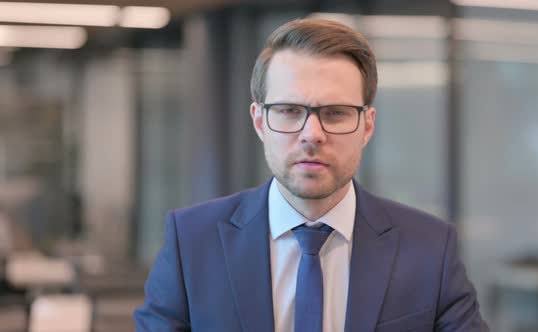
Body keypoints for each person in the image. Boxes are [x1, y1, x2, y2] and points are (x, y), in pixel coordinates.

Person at [134, 18, 489, 332]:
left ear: (367, 126)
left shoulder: (429, 248)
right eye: (289, 110)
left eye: (335, 113)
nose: (312, 134)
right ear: (260, 121)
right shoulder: (192, 241)